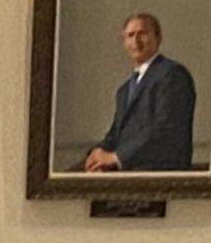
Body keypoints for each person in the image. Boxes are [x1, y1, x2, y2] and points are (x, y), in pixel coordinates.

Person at [84, 12, 196, 174]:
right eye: (130, 35)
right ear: (124, 42)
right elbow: (116, 133)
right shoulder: (124, 90)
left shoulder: (172, 74)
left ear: (158, 38)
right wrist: (96, 155)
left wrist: (116, 157)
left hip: (160, 177)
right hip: (129, 175)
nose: (135, 41)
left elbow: (166, 130)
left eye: (142, 33)